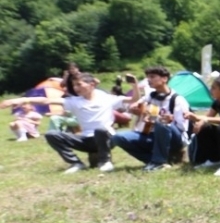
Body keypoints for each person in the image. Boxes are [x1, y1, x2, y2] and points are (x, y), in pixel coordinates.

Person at [0, 73, 134, 173]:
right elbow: (46, 101)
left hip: (106, 138)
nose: (76, 88)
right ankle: (76, 163)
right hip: (85, 139)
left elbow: (133, 99)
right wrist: (19, 100)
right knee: (52, 134)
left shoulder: (107, 98)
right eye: (75, 85)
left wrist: (134, 85)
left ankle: (105, 162)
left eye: (79, 84)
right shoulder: (74, 101)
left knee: (100, 129)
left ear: (92, 84)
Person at [110, 66, 190, 171]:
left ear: (164, 79)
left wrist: (166, 120)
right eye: (148, 77)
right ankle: (153, 160)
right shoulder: (150, 96)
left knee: (161, 122)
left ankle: (159, 162)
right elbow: (136, 105)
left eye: (152, 77)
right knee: (118, 137)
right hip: (150, 135)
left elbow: (182, 127)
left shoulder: (177, 100)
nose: (149, 80)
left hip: (174, 139)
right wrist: (135, 109)